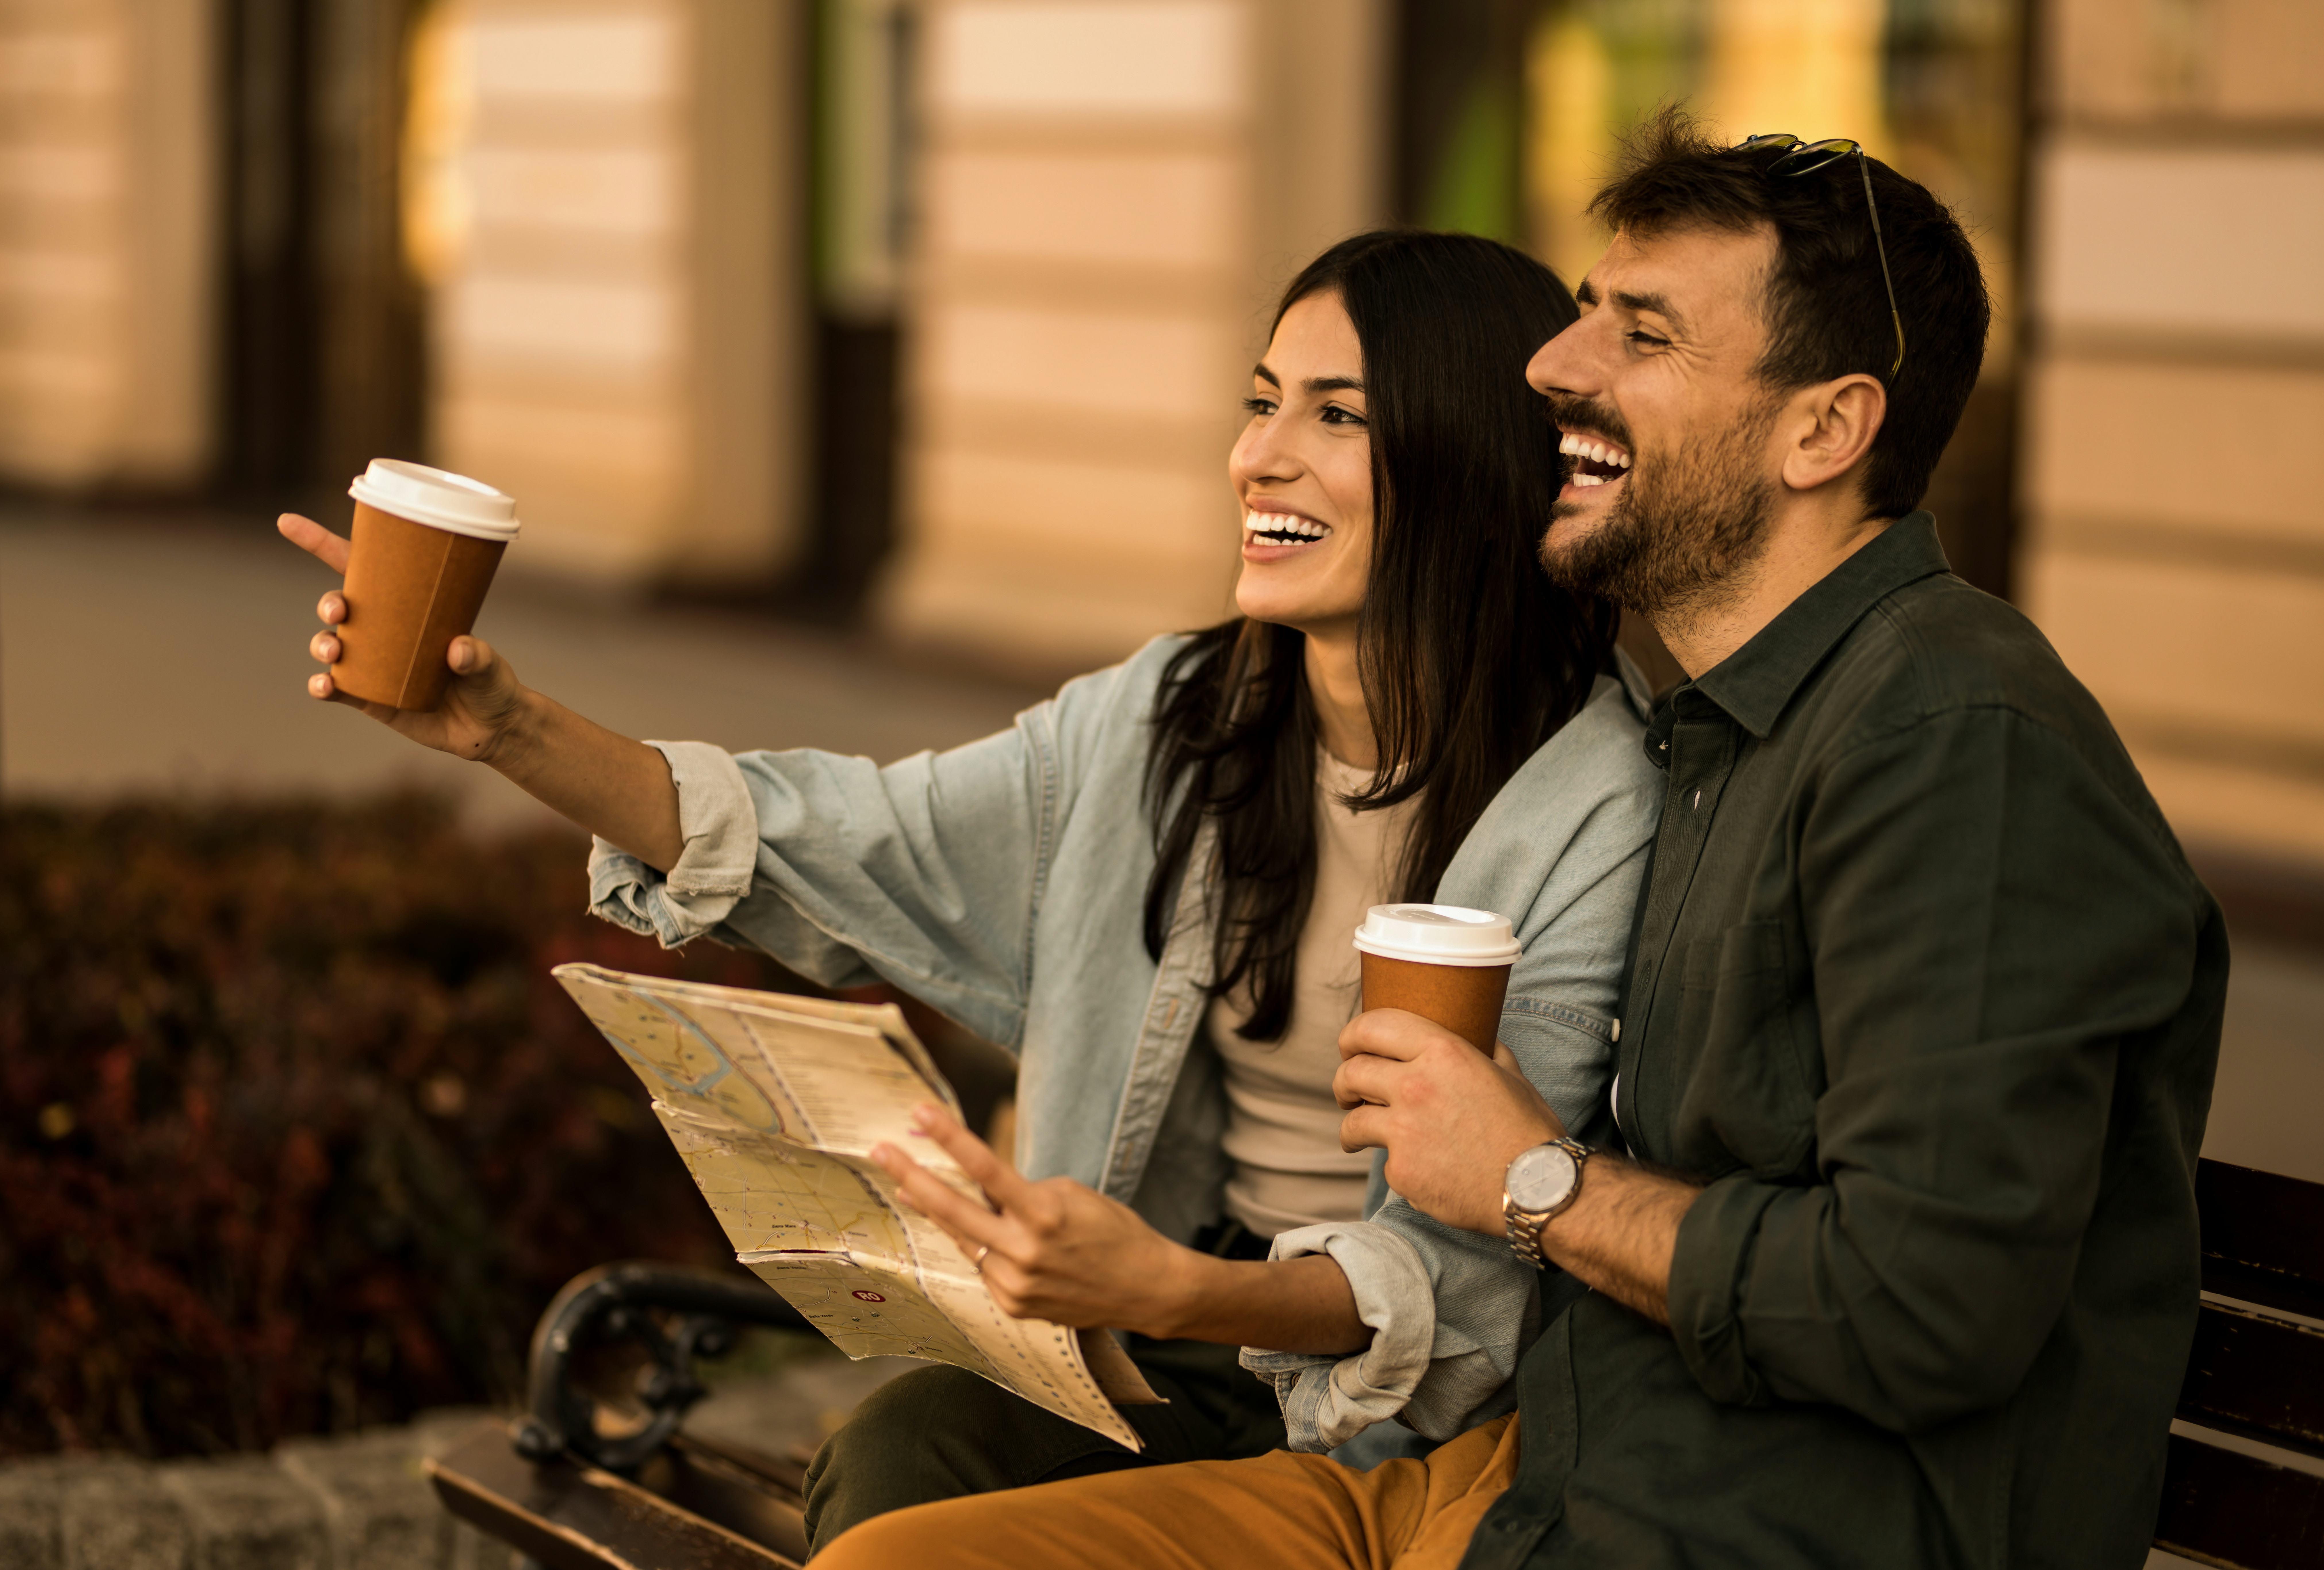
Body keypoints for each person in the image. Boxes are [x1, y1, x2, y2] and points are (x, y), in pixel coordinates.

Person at [809, 110, 2227, 1570]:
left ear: (1824, 429)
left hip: (1738, 1536)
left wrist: (1533, 1184)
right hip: (1523, 1480)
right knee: (901, 1545)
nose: (1554, 366)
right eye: (1586, 317)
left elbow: (1922, 1305)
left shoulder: (1952, 745)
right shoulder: (1722, 727)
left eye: (1643, 334)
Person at [281, 231, 1667, 1548]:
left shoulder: (1589, 798)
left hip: (1425, 1416)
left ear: (1473, 459)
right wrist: (509, 729)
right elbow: (833, 837)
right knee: (907, 1450)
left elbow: (1478, 1281)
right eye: (1260, 403)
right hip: (1174, 1343)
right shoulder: (1167, 723)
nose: (1258, 457)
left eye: (1336, 418)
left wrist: (1167, 1287)